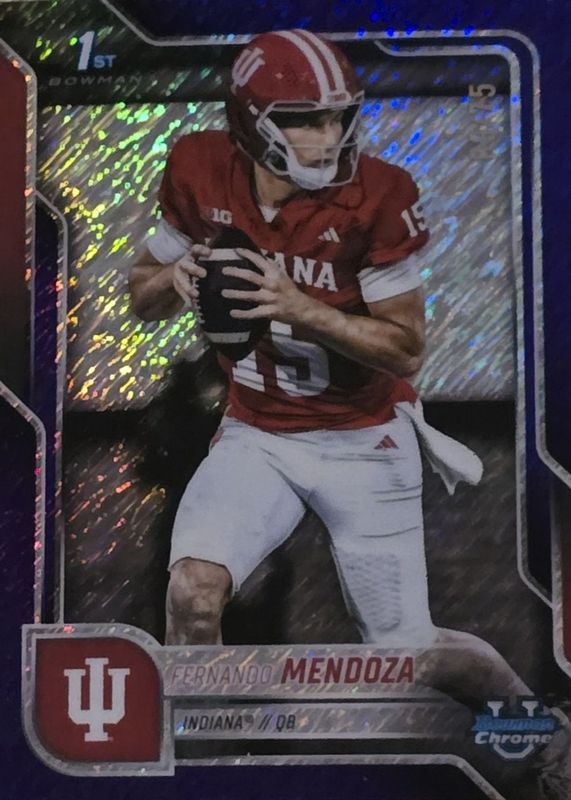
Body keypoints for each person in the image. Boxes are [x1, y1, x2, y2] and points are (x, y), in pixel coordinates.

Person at [128, 28, 534, 709]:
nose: (329, 136)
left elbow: (405, 350)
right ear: (249, 123)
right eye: (304, 119)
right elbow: (142, 298)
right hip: (258, 434)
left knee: (407, 651)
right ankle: (195, 749)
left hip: (363, 439)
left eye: (339, 117)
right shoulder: (199, 167)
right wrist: (176, 276)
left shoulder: (378, 194)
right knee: (192, 595)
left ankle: (537, 730)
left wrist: (299, 306)